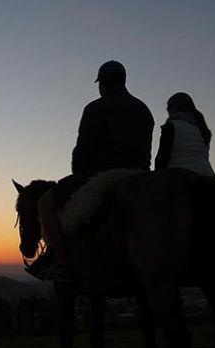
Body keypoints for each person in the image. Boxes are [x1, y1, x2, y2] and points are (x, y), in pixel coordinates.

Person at [26, 60, 154, 280]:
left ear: (102, 83)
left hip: (102, 174)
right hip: (141, 175)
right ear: (123, 81)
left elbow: (82, 151)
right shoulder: (144, 110)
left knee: (44, 204)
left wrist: (78, 175)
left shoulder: (94, 109)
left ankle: (62, 264)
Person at [154, 92, 215, 177]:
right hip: (207, 175)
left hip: (180, 177)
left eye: (170, 106)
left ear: (178, 107)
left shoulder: (171, 126)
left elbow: (162, 159)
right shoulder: (202, 128)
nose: (167, 109)